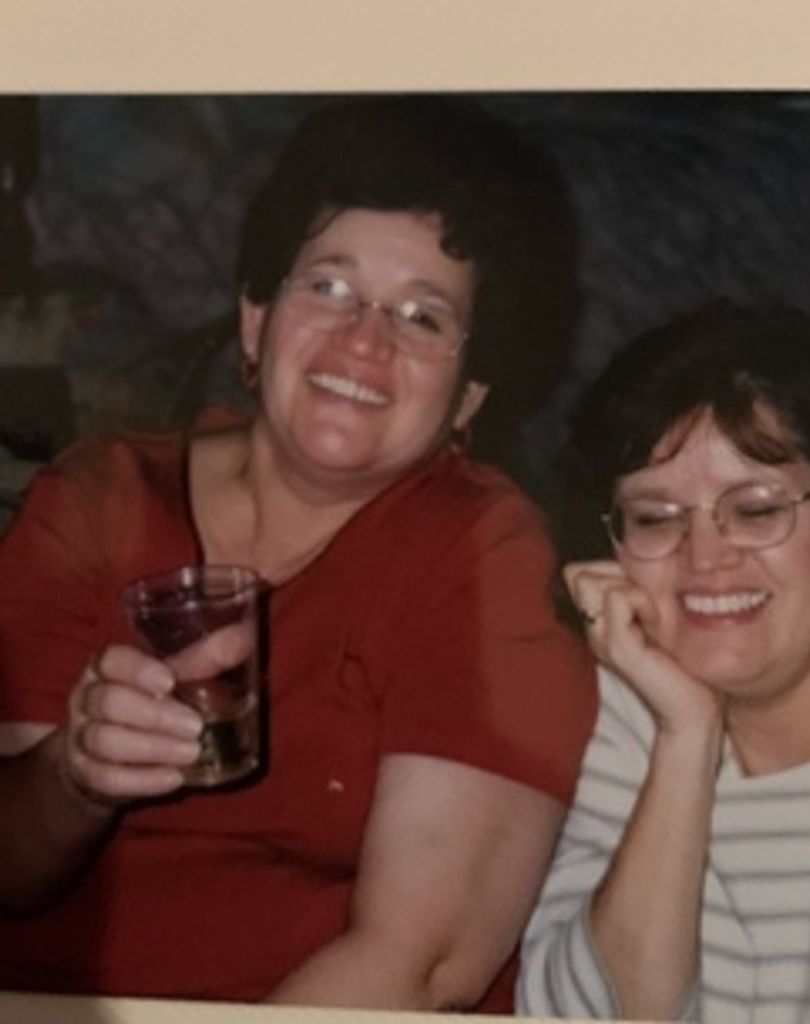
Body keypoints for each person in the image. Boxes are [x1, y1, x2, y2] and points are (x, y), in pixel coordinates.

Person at [0, 95, 597, 1011]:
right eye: (328, 287)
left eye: (422, 316)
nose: (364, 340)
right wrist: (73, 776)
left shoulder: (485, 556)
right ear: (255, 318)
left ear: (469, 396)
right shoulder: (100, 495)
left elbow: (421, 964)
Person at [517, 301, 810, 1023]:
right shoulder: (633, 709)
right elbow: (569, 1014)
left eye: (756, 510)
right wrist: (687, 736)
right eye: (655, 518)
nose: (705, 559)